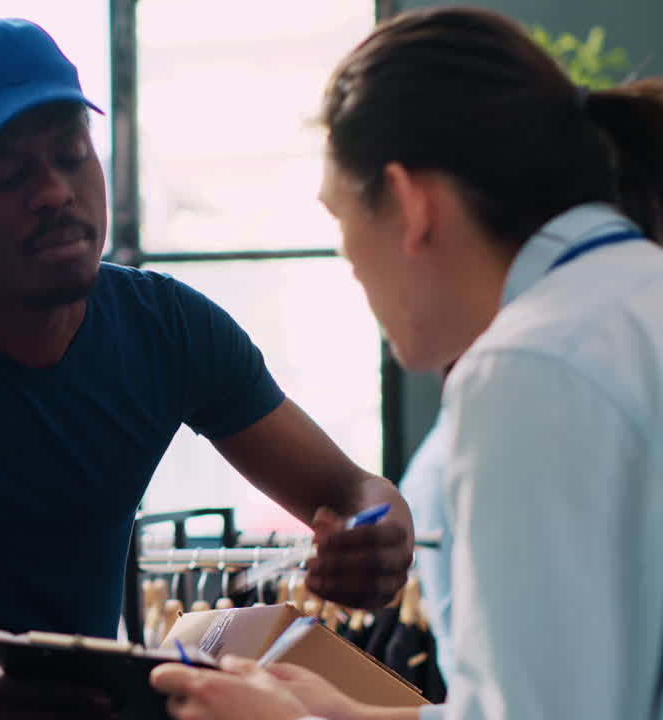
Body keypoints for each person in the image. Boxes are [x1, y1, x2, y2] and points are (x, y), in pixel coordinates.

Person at [0, 13, 412, 696]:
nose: (54, 191)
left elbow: (353, 492)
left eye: (71, 155)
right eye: (5, 173)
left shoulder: (170, 332)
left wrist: (376, 533)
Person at [149, 6, 663, 720]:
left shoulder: (530, 365)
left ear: (408, 202)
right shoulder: (626, 300)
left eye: (340, 221)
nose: (348, 259)